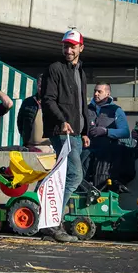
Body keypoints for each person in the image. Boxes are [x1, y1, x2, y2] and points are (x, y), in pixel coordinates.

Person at [40, 29, 90, 243]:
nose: (68, 50)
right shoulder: (55, 68)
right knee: (74, 176)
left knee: (64, 176)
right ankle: (52, 222)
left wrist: (85, 131)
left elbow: (81, 104)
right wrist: (62, 121)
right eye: (65, 46)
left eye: (72, 46)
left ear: (81, 47)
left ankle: (47, 217)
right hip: (61, 131)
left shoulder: (81, 72)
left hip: (76, 133)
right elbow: (48, 99)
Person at [82, 83, 133, 187]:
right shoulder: (86, 110)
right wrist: (83, 135)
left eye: (99, 91)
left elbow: (125, 132)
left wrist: (106, 131)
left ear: (107, 93)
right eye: (95, 91)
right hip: (87, 153)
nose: (96, 94)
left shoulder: (116, 110)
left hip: (107, 156)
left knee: (101, 184)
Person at [17, 75, 52, 153]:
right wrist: (26, 136)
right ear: (37, 85)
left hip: (48, 147)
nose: (42, 89)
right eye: (40, 86)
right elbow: (20, 122)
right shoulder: (27, 102)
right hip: (30, 147)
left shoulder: (54, 103)